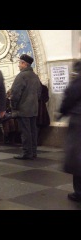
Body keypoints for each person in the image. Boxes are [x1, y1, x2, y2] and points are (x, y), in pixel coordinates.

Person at [10, 54, 41, 160]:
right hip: (33, 109)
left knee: (25, 132)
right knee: (33, 131)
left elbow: (15, 93)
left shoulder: (21, 76)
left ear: (24, 63)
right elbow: (39, 93)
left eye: (19, 63)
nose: (18, 65)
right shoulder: (35, 76)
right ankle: (33, 151)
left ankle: (26, 152)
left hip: (23, 109)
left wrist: (13, 106)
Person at [58, 60, 81, 202]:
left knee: (77, 156)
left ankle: (79, 192)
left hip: (79, 121)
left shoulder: (78, 82)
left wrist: (62, 112)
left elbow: (68, 99)